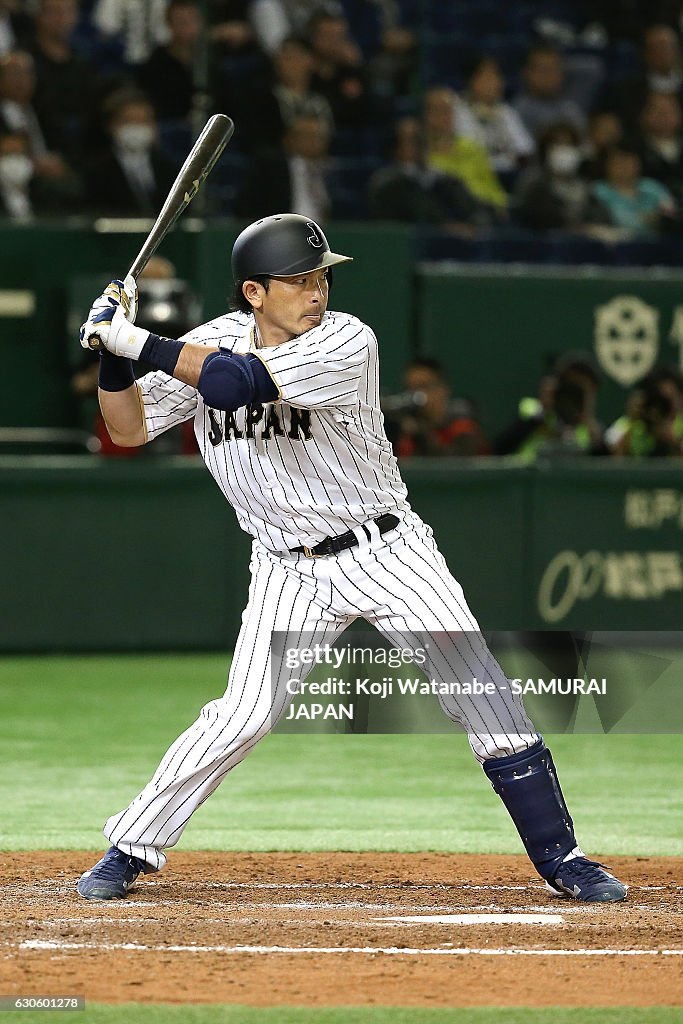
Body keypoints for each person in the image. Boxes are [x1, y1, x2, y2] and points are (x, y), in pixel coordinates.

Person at [75, 213, 627, 906]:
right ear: (253, 291)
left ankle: (563, 858)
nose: (316, 291)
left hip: (387, 550)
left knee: (479, 693)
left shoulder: (345, 340)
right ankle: (130, 846)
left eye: (321, 276)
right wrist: (114, 356)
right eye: (298, 280)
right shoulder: (203, 340)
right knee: (243, 712)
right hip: (285, 565)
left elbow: (232, 384)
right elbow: (126, 427)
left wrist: (134, 337)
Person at [368, 116, 493, 230]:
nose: (419, 145)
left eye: (421, 138)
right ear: (396, 147)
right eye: (413, 139)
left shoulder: (445, 179)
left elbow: (473, 209)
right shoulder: (388, 181)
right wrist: (444, 227)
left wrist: (477, 225)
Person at [495, 352, 608, 459]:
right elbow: (499, 450)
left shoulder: (592, 432)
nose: (571, 395)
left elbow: (609, 470)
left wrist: (589, 423)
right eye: (567, 385)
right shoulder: (530, 413)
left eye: (578, 391)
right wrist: (541, 414)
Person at [85, 89, 176, 216]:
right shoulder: (95, 170)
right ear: (111, 126)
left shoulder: (170, 167)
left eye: (144, 121)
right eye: (129, 121)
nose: (137, 128)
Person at [423, 85, 508, 214]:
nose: (444, 117)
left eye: (448, 111)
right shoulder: (422, 153)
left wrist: (500, 207)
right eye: (438, 111)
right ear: (426, 115)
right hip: (448, 214)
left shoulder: (472, 148)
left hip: (483, 213)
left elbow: (495, 190)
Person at [383, 357, 489, 457]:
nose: (416, 395)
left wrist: (421, 436)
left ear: (443, 389)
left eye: (424, 387)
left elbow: (458, 466)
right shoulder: (406, 429)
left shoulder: (462, 424)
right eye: (410, 388)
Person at [234, 112, 332, 221]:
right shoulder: (270, 165)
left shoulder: (331, 169)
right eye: (308, 136)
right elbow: (246, 206)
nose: (315, 142)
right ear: (289, 138)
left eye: (320, 137)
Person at [454, 54, 535, 177]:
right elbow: (471, 152)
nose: (493, 82)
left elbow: (525, 150)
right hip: (475, 175)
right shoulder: (458, 110)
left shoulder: (507, 112)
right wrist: (506, 159)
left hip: (509, 176)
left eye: (496, 76)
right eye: (486, 76)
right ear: (470, 80)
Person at [591, 142, 679, 238]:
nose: (624, 167)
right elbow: (592, 224)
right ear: (606, 165)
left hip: (659, 243)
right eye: (618, 162)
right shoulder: (597, 191)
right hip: (617, 246)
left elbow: (672, 213)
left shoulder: (653, 187)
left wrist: (661, 219)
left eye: (629, 161)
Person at [137, 0, 203, 121]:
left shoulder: (210, 60)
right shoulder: (156, 64)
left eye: (192, 21)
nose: (188, 28)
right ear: (169, 24)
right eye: (181, 22)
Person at [513, 44, 585, 141]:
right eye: (543, 69)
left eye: (555, 68)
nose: (549, 75)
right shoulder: (517, 112)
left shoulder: (570, 109)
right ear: (527, 73)